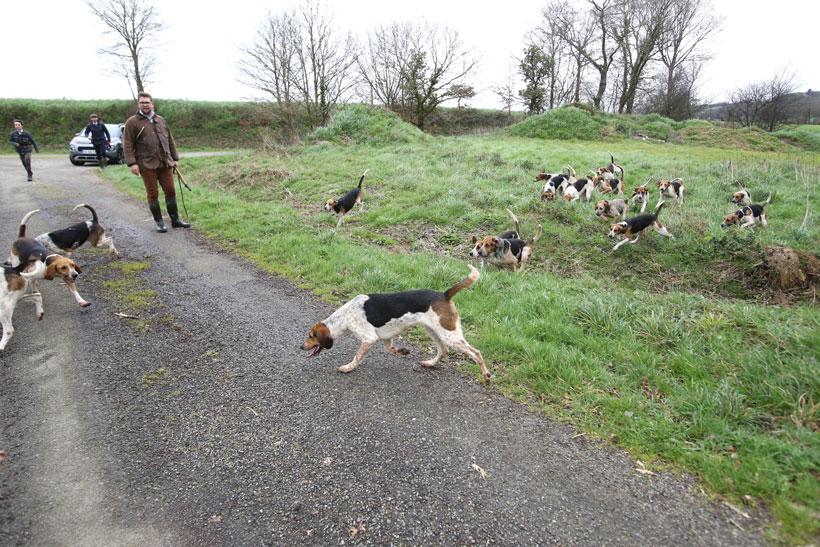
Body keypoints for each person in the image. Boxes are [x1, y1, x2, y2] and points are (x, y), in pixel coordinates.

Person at [122, 92, 190, 232]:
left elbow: (169, 139)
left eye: (147, 102)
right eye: (142, 102)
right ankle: (159, 223)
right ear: (138, 104)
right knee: (152, 194)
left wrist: (175, 158)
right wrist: (132, 164)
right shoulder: (132, 122)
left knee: (170, 191)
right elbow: (127, 144)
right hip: (146, 164)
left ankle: (175, 220)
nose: (145, 105)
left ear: (152, 104)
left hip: (165, 162)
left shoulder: (161, 120)